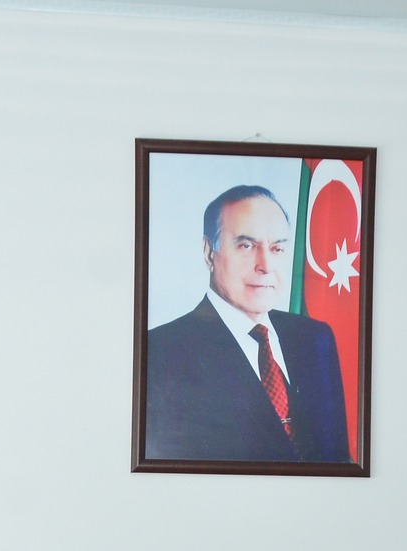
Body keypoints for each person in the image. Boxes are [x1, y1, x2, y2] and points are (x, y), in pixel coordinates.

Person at [143, 184, 352, 463]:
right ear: (208, 252)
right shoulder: (161, 351)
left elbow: (338, 461)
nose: (265, 265)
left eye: (277, 248)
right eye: (246, 246)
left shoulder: (315, 338)